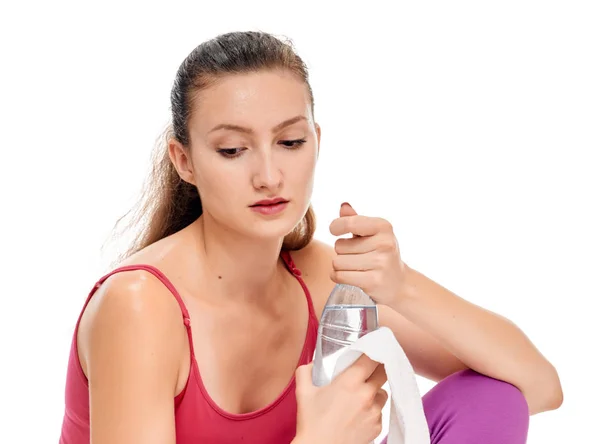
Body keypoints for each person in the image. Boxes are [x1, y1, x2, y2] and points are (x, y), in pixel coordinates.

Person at [59, 31, 563, 444]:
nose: (269, 175)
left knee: (488, 398)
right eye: (233, 150)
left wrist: (402, 285)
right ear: (184, 160)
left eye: (291, 142)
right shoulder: (139, 306)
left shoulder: (319, 277)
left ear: (316, 142)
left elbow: (537, 387)